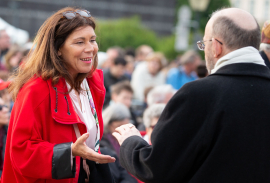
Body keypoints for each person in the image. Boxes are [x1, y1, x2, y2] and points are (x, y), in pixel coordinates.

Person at [113, 8, 270, 183]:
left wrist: (130, 142)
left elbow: (157, 168)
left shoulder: (199, 94)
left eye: (204, 44)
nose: (204, 51)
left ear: (216, 46)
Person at [1, 7, 116, 183]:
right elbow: (20, 152)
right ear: (58, 49)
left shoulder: (93, 83)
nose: (90, 48)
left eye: (92, 40)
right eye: (79, 42)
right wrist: (70, 151)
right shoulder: (36, 90)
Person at [100, 103, 137, 183]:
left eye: (125, 126)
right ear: (108, 123)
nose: (122, 129)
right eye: (119, 125)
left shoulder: (125, 137)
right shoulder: (101, 142)